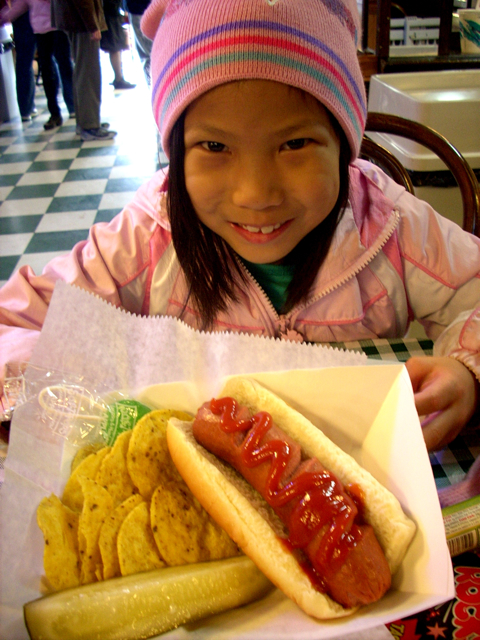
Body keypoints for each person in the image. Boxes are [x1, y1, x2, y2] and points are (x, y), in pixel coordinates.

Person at [1, 0, 480, 453]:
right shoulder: (146, 241)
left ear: (342, 144)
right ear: (175, 154)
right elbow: (13, 322)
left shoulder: (392, 228)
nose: (255, 194)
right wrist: (88, 383)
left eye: (293, 144)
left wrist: (465, 372)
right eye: (214, 147)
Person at [0, 0, 75, 130]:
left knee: (65, 66)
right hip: (40, 30)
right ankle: (54, 114)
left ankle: (74, 107)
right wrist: (5, 16)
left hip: (58, 27)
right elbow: (22, 4)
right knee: (47, 72)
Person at [50, 0, 116, 140]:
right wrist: (92, 25)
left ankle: (85, 122)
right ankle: (90, 126)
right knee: (88, 73)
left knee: (82, 71)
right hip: (82, 21)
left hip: (75, 18)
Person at [100, 0, 135, 89]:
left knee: (116, 48)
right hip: (110, 16)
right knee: (115, 48)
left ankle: (119, 77)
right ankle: (118, 78)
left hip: (112, 14)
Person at [124, 0, 152, 84]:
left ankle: (154, 90)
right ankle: (153, 89)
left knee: (148, 56)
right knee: (148, 55)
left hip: (146, 7)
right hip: (139, 8)